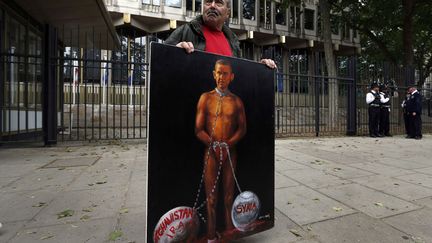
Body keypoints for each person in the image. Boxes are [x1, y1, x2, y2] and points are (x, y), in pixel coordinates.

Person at [195, 59, 246, 242]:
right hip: (211, 153)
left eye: (225, 74)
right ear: (213, 74)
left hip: (230, 153)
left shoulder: (237, 101)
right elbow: (198, 129)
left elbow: (242, 129)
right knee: (211, 198)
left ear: (231, 77)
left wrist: (228, 144)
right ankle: (210, 235)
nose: (221, 77)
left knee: (229, 196)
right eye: (218, 73)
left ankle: (229, 232)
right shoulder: (205, 98)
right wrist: (214, 145)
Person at [165, 0, 276, 69]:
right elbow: (160, 62)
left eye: (218, 2)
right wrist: (174, 53)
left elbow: (238, 74)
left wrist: (260, 68)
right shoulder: (186, 30)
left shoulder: (233, 41)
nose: (212, 6)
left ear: (227, 13)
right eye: (208, 2)